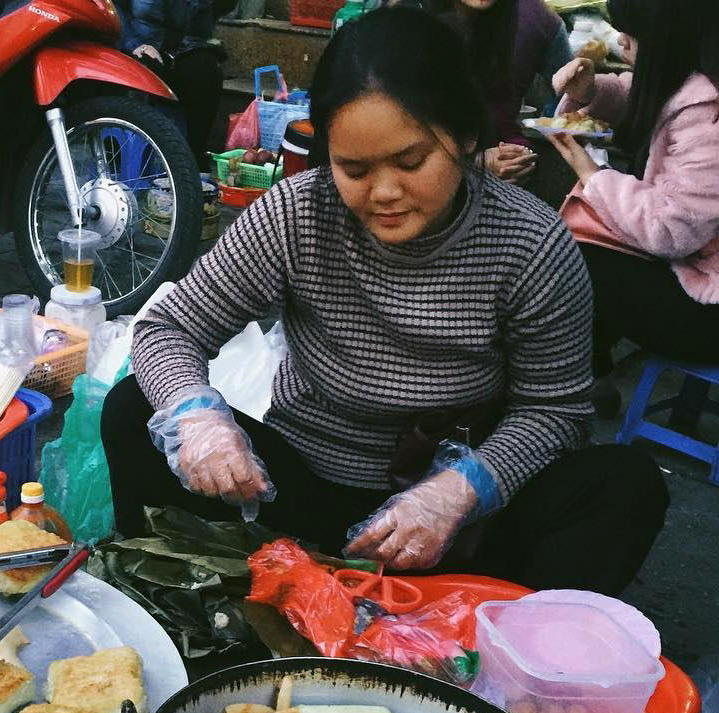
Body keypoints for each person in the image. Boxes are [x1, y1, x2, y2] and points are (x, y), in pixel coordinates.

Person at [101, 7, 667, 596]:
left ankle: (493, 651)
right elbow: (169, 329)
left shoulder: (530, 243)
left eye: (411, 160)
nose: (386, 192)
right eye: (354, 168)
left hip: (456, 527)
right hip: (301, 495)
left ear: (466, 137)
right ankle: (199, 614)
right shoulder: (297, 213)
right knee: (134, 407)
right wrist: (199, 420)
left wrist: (458, 491)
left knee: (626, 487)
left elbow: (555, 412)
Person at [548, 0, 719, 403]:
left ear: (670, 41)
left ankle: (573, 383)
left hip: (707, 310)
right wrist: (591, 91)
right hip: (696, 267)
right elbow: (652, 95)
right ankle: (587, 374)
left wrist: (592, 175)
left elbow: (669, 230)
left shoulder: (708, 115)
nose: (622, 41)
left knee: (567, 257)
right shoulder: (694, 79)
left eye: (633, 34)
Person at [410, 0, 570, 185]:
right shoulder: (410, 23)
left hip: (484, 152)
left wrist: (514, 154)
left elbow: (497, 108)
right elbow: (402, 131)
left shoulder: (503, 21)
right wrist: (476, 162)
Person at [115, 0, 223, 163]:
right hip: (132, 46)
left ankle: (192, 160)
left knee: (206, 69)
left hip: (176, 52)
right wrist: (136, 45)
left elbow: (200, 33)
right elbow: (112, 11)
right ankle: (127, 157)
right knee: (146, 69)